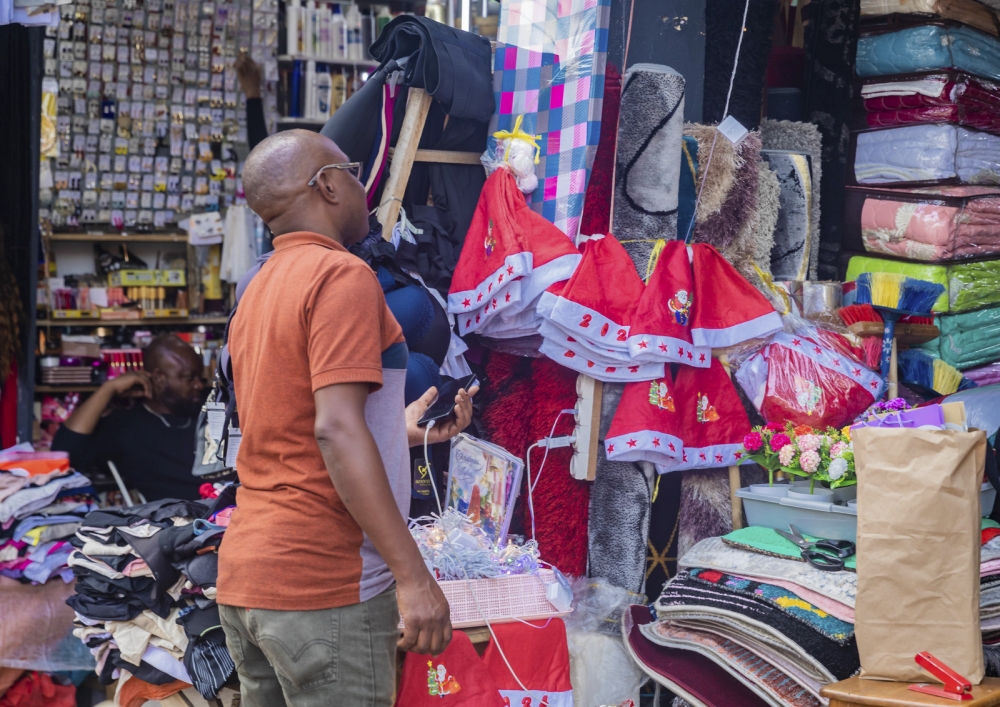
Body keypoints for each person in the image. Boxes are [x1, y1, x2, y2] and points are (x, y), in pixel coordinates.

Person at [218, 129, 473, 707]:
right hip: (323, 583)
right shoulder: (341, 276)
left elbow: (287, 424)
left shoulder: (255, 287)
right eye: (355, 172)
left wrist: (398, 433)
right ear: (329, 186)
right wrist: (412, 576)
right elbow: (333, 428)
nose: (364, 187)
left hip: (250, 578)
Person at [52, 334, 207, 501]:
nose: (198, 385)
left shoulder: (210, 409)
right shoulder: (125, 426)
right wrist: (108, 390)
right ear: (158, 378)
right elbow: (64, 453)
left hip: (229, 505)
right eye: (189, 378)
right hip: (182, 518)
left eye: (200, 377)